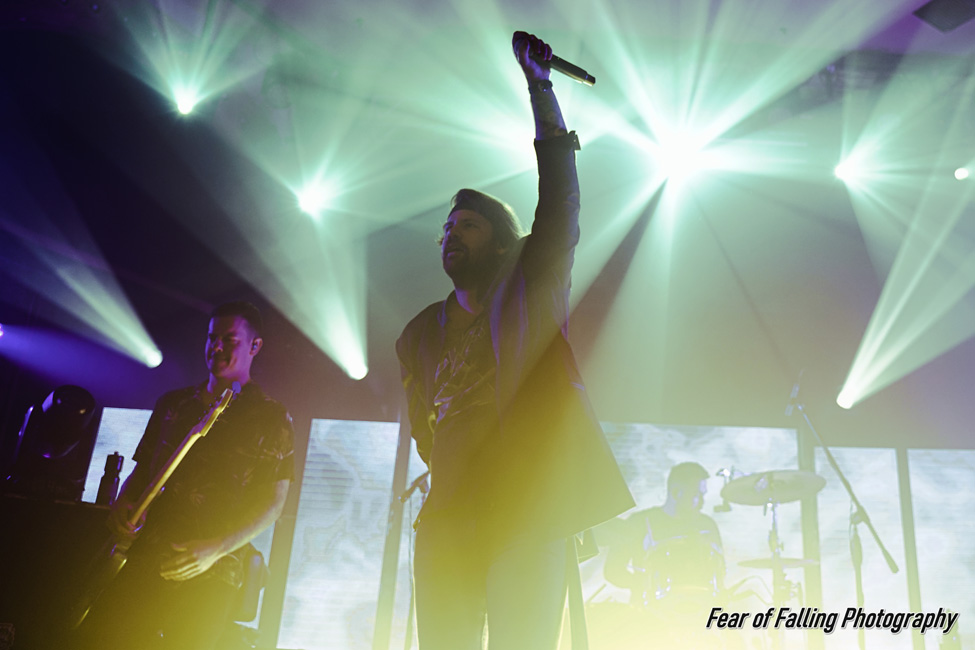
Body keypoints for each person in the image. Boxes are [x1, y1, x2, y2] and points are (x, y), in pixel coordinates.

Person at [396, 31, 634, 650]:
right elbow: (424, 427)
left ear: (501, 243)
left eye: (468, 225)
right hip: (446, 519)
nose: (452, 234)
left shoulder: (531, 283)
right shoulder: (418, 335)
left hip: (527, 510)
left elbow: (560, 199)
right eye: (447, 227)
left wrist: (540, 87)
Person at [73, 301, 295, 650]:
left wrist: (217, 549)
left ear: (255, 346)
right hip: (145, 556)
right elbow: (142, 470)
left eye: (230, 340)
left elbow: (274, 503)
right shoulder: (173, 404)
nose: (217, 347)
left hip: (213, 570)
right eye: (212, 337)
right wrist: (123, 504)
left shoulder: (273, 418)